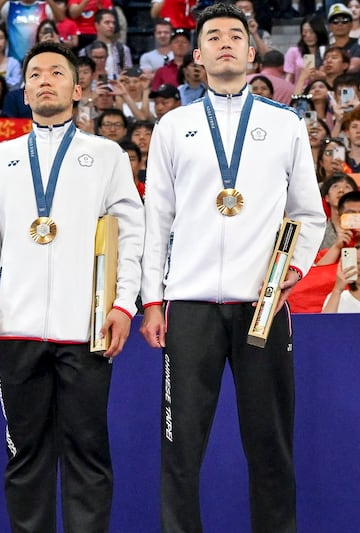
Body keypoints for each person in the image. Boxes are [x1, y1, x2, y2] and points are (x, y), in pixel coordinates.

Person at [139, 4, 326, 532]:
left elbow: (309, 214)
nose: (225, 43)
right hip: (190, 306)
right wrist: (153, 300)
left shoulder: (283, 124)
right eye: (213, 36)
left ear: (251, 52)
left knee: (270, 446)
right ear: (196, 55)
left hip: (261, 305)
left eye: (235, 36)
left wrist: (293, 269)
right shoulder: (174, 126)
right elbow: (157, 221)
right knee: (181, 450)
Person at [0, 41, 144, 532]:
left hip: (85, 329)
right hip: (17, 329)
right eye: (36, 72)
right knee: (25, 456)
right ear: (24, 89)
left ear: (77, 88)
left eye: (56, 72)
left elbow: (130, 235)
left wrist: (125, 304)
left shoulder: (106, 155)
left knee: (87, 454)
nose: (45, 79)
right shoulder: (1, 159)